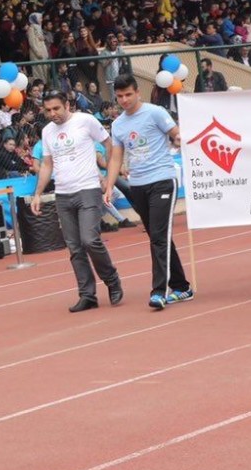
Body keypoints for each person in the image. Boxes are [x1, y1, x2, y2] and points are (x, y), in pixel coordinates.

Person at [101, 74, 194, 310]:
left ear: (137, 92)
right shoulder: (118, 124)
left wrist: (178, 138)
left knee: (159, 237)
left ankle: (159, 291)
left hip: (162, 180)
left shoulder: (155, 113)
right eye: (119, 96)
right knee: (158, 236)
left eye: (128, 95)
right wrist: (109, 185)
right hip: (138, 185)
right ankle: (182, 287)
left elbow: (176, 133)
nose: (124, 100)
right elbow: (116, 157)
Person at [29, 88, 124, 313]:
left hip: (88, 189)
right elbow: (47, 165)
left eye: (56, 108)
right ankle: (87, 295)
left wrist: (108, 176)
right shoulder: (47, 132)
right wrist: (38, 194)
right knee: (74, 247)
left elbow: (109, 144)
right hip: (63, 194)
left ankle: (111, 279)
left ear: (67, 105)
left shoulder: (85, 121)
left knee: (90, 240)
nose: (52, 114)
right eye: (48, 110)